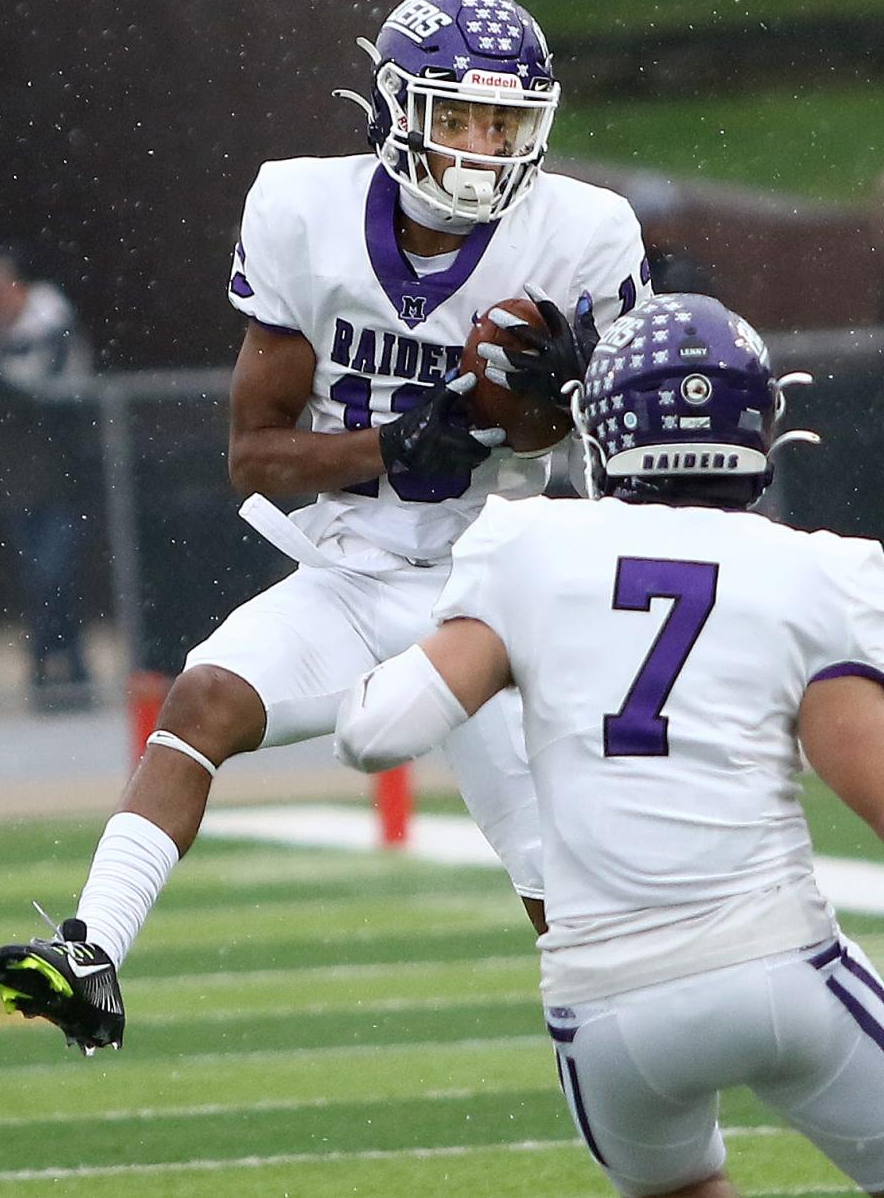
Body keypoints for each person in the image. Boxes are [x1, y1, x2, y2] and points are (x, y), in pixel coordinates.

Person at [0, 0, 650, 1053]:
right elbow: (255, 455)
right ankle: (90, 953)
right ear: (395, 110)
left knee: (555, 884)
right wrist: (400, 444)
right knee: (202, 696)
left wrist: (550, 410)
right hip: (362, 565)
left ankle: (635, 1052)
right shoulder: (305, 211)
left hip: (506, 581)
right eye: (460, 116)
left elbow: (620, 461)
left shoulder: (584, 236)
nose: (483, 146)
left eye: (505, 121)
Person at [335, 291, 884, 1198]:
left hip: (607, 1008)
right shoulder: (817, 569)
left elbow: (374, 731)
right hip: (774, 966)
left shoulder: (532, 543)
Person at [0, 248, 93, 711]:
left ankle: (56, 661)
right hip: (19, 480)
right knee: (37, 576)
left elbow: (40, 380)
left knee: (55, 573)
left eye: (2, 289)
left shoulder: (52, 328)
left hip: (59, 478)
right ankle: (57, 663)